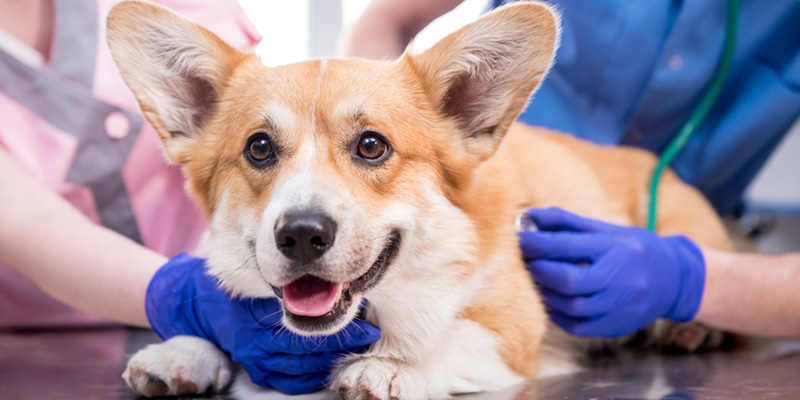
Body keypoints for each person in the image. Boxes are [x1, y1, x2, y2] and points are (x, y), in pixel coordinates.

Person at [340, 0, 800, 338]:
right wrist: (376, 141)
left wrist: (690, 281)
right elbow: (388, 16)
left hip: (687, 235)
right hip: (490, 187)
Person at [0, 0, 378, 395]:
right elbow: (26, 220)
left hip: (269, 286)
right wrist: (185, 299)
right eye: (262, 149)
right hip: (33, 347)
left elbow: (335, 110)